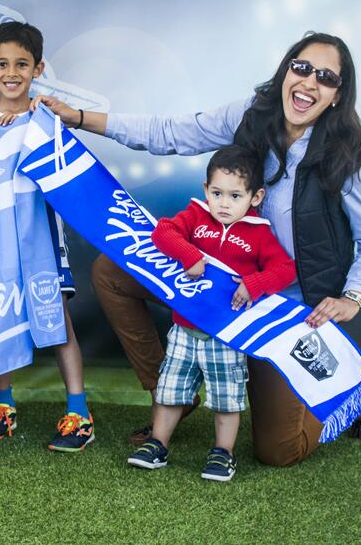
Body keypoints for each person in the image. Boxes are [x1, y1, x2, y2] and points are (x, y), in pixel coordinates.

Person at [38, 32, 361, 466]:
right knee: (111, 273)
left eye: (326, 77)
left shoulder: (346, 156)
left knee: (277, 452)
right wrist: (78, 117)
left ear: (338, 95)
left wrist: (353, 297)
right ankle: (173, 392)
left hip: (283, 310)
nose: (308, 83)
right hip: (218, 284)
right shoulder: (251, 116)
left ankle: (352, 397)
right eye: (301, 68)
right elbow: (168, 133)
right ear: (286, 70)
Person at [127, 146, 296, 480]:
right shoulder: (196, 216)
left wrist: (256, 282)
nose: (224, 203)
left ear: (256, 196)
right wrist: (188, 254)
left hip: (226, 334)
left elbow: (285, 269)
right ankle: (158, 444)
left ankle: (223, 453)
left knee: (226, 397)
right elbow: (163, 231)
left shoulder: (258, 233)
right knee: (170, 389)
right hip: (185, 328)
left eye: (235, 196)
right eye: (217, 193)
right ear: (206, 190)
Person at [0, 21, 94, 452]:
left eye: (21, 64)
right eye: (2, 64)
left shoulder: (47, 122)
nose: (11, 72)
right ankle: (3, 405)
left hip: (41, 239)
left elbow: (71, 176)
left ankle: (78, 411)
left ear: (37, 67)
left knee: (55, 319)